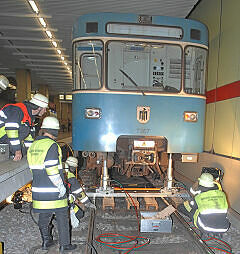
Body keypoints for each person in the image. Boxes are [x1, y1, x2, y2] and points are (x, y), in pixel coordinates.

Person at [27, 116, 77, 252]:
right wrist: (61, 187)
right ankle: (64, 245)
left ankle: (46, 241)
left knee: (44, 215)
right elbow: (52, 169)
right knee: (62, 216)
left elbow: (32, 168)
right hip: (53, 190)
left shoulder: (33, 145)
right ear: (55, 131)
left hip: (38, 190)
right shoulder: (52, 146)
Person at [0, 93, 48, 161]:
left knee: (24, 149)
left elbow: (29, 137)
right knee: (24, 129)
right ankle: (12, 152)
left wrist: (30, 152)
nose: (45, 111)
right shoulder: (17, 110)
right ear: (39, 108)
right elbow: (11, 129)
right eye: (45, 109)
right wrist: (17, 150)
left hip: (5, 136)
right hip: (2, 136)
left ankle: (13, 152)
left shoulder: (30, 118)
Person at [64, 156, 96, 228]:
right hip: (65, 206)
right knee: (80, 214)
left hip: (52, 205)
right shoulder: (71, 176)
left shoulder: (57, 172)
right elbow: (79, 193)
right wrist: (88, 203)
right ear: (73, 167)